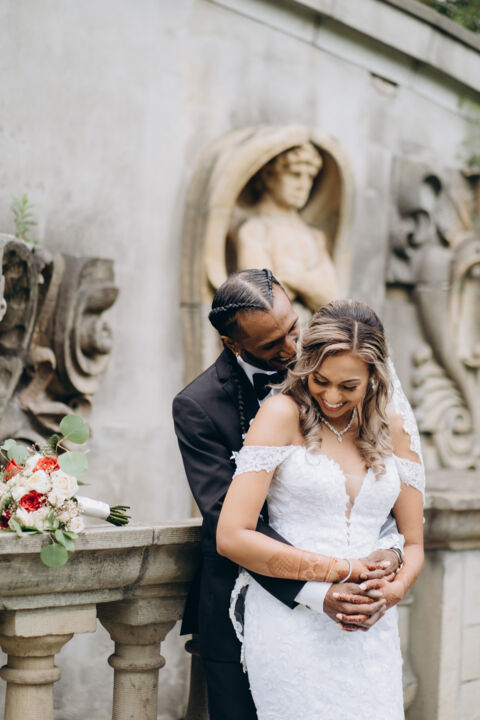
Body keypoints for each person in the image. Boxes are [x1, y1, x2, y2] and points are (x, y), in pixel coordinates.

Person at [173, 270, 406, 720]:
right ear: (232, 344)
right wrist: (318, 589)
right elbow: (229, 519)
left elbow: (370, 491)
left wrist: (390, 556)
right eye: (271, 344)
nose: (291, 348)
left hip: (354, 611)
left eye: (293, 328)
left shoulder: (334, 368)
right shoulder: (198, 406)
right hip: (246, 604)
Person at [233, 143, 338, 314]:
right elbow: (261, 297)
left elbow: (333, 299)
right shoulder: (255, 230)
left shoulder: (315, 236)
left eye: (310, 177)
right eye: (295, 175)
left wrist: (298, 280)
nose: (304, 185)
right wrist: (311, 286)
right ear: (269, 177)